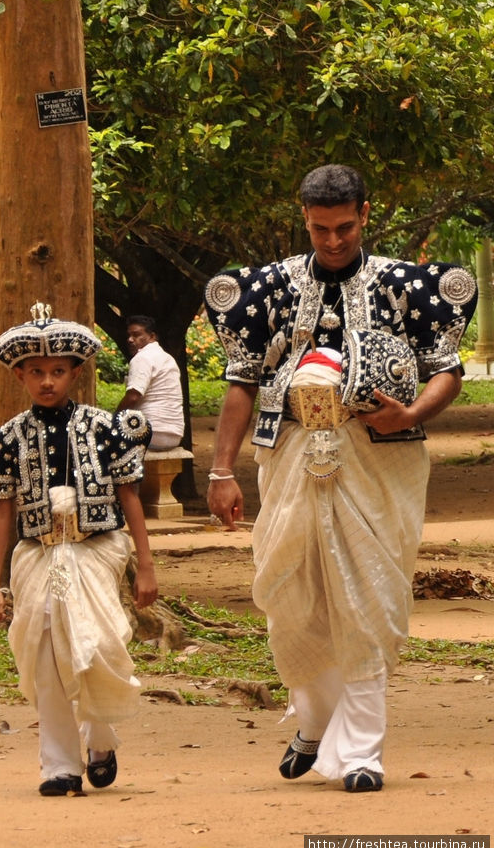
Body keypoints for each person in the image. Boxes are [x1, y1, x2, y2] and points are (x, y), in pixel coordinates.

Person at [204, 164, 477, 793]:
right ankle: (314, 720)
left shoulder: (408, 286)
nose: (333, 240)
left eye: (345, 228)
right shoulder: (266, 290)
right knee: (292, 599)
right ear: (305, 218)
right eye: (322, 229)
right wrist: (221, 469)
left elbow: (446, 370)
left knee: (367, 598)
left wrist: (409, 413)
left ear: (365, 214)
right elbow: (241, 382)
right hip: (292, 453)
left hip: (378, 457)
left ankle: (361, 755)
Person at [0, 303, 158, 797]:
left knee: (95, 643)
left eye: (56, 372)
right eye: (36, 373)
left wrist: (146, 566)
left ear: (74, 373)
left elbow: (130, 497)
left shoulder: (105, 428)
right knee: (46, 647)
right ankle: (59, 765)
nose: (47, 381)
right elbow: (1, 511)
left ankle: (100, 738)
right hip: (37, 555)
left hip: (97, 548)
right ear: (21, 376)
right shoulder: (7, 438)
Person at [116, 315, 184, 451]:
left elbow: (133, 397)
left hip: (151, 433)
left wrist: (113, 419)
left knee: (100, 441)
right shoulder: (167, 358)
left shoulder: (142, 358)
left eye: (136, 335)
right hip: (175, 435)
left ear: (152, 336)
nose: (130, 339)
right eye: (129, 335)